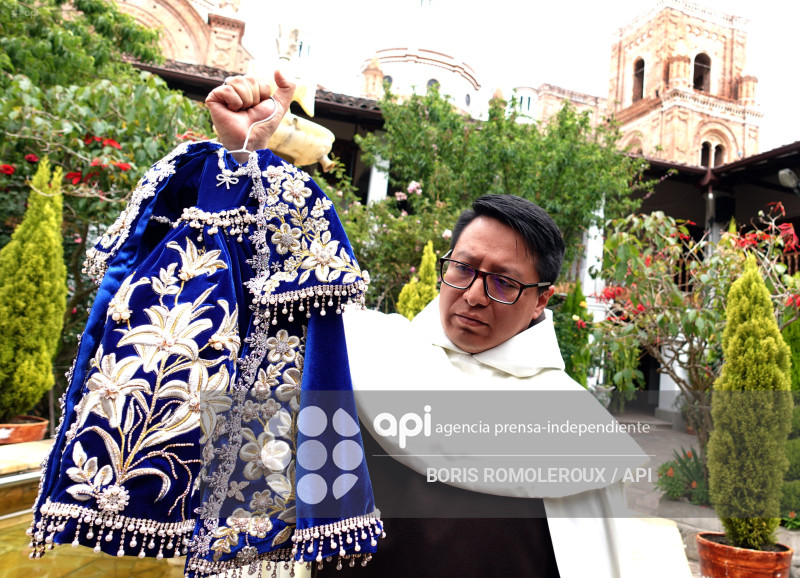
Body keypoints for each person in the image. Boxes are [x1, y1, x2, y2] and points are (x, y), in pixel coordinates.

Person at [206, 74, 673, 578]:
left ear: (541, 301)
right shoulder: (368, 348)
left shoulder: (574, 425)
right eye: (464, 268)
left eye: (503, 282)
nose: (474, 294)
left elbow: (590, 560)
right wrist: (244, 156)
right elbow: (264, 280)